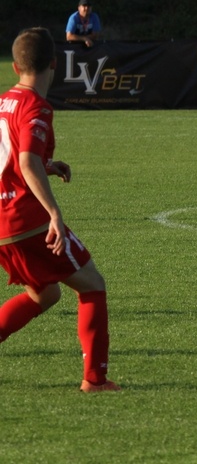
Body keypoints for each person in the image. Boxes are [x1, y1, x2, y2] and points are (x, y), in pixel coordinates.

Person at [0, 27, 119, 392]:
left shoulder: (4, 100)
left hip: (2, 219)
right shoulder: (37, 106)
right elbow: (25, 163)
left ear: (16, 66)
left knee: (45, 294)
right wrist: (53, 211)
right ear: (55, 63)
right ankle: (95, 380)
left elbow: (13, 159)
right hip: (26, 219)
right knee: (92, 284)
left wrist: (46, 165)